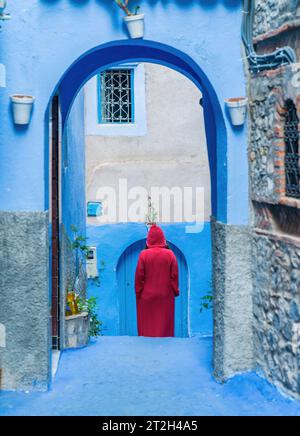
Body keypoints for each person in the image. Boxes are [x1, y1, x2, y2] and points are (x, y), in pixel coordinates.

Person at [135, 224, 180, 337]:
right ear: (162, 239)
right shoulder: (170, 254)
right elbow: (174, 276)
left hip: (147, 296)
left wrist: (138, 293)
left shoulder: (143, 255)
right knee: (164, 325)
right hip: (166, 295)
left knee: (147, 326)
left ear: (149, 239)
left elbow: (139, 277)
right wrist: (175, 291)